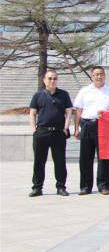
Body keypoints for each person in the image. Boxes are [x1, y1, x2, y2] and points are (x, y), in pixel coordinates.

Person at [28, 69, 73, 197]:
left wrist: (65, 128)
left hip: (58, 132)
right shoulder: (38, 95)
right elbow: (32, 113)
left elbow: (69, 111)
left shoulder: (63, 94)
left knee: (60, 161)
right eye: (50, 78)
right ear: (44, 80)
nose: (52, 81)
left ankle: (61, 187)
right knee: (39, 161)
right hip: (42, 132)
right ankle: (37, 187)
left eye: (55, 78)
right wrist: (34, 130)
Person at [73, 66, 109, 195]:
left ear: (105, 76)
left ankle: (103, 186)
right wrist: (76, 128)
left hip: (103, 125)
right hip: (86, 124)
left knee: (103, 157)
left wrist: (108, 112)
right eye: (96, 74)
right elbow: (78, 110)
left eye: (101, 74)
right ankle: (85, 186)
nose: (99, 77)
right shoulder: (84, 91)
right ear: (92, 76)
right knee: (85, 157)